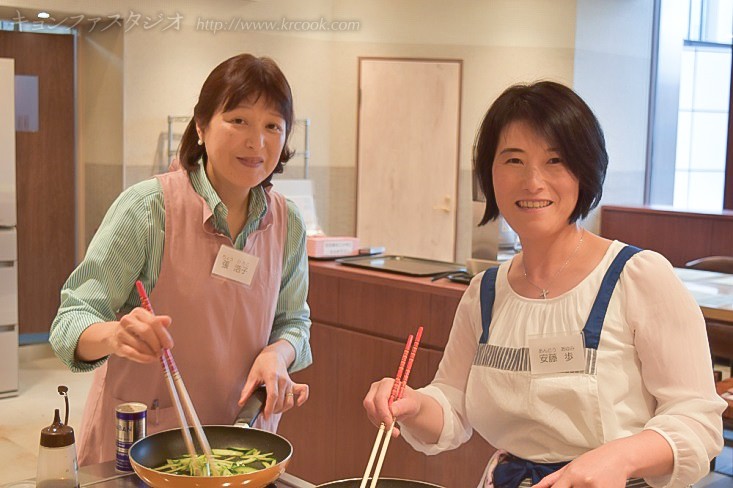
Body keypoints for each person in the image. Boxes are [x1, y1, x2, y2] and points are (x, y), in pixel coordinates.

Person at [363, 81, 726, 487]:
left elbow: (698, 422)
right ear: (490, 174)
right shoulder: (485, 291)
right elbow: (453, 407)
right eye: (514, 161)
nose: (533, 182)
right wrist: (413, 403)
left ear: (585, 170)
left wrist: (619, 458)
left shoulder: (638, 276)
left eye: (555, 160)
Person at [50, 53, 312, 466]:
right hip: (145, 446)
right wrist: (115, 335)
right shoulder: (148, 209)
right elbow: (71, 320)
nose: (256, 142)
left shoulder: (287, 222)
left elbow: (294, 321)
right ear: (201, 127)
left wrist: (278, 354)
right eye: (239, 120)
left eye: (272, 126)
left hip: (243, 444)